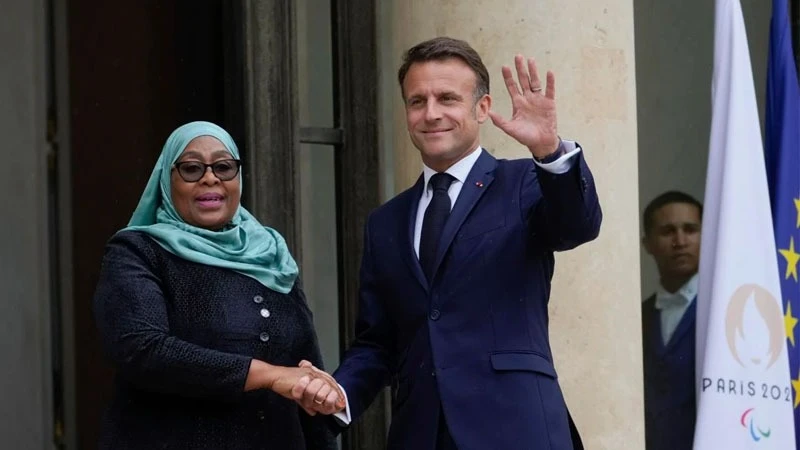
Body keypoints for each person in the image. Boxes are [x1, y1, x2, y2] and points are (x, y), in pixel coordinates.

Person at [293, 36, 602, 450]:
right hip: (420, 433)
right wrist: (340, 395)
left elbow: (576, 226)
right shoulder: (385, 222)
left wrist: (548, 151)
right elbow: (377, 342)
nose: (431, 113)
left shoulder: (525, 182)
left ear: (483, 108)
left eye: (447, 98)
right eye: (417, 101)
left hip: (515, 428)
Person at [92, 121, 343, 449]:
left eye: (224, 167)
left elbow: (304, 367)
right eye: (192, 168)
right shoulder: (138, 252)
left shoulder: (270, 254)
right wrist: (268, 375)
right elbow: (142, 350)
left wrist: (321, 395)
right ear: (167, 180)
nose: (210, 178)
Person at [640, 191, 702, 450]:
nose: (680, 241)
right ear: (647, 244)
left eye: (690, 229)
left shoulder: (728, 316)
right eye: (667, 231)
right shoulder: (637, 318)